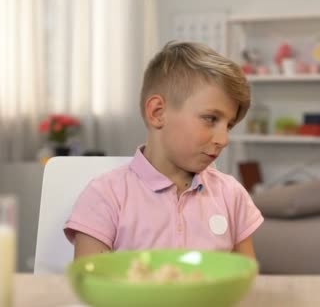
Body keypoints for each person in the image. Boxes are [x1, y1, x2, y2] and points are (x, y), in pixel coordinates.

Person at [64, 41, 263, 259]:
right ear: (158, 113)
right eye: (210, 119)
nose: (224, 139)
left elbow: (247, 283)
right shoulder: (105, 195)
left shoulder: (231, 195)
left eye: (229, 125)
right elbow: (92, 285)